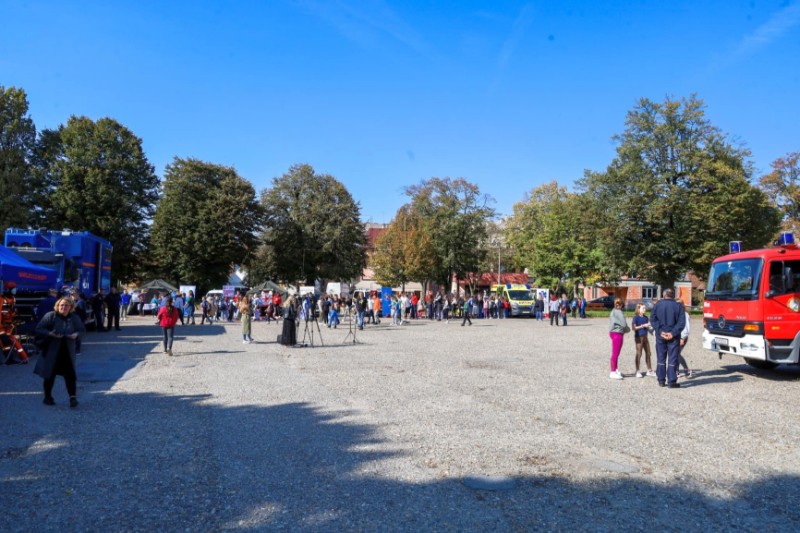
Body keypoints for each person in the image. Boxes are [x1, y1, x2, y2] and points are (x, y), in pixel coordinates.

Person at [34, 297, 85, 407]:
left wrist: (76, 335)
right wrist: (49, 333)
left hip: (67, 351)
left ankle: (73, 398)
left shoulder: (74, 318)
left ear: (71, 307)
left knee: (70, 376)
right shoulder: (50, 316)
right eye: (61, 305)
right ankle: (47, 397)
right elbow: (39, 328)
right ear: (57, 306)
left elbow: (81, 330)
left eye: (66, 305)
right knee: (49, 375)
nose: (64, 307)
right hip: (51, 351)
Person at [650, 288, 686, 388]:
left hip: (661, 336)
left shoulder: (658, 305)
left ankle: (661, 380)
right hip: (673, 337)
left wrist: (660, 331)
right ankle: (671, 381)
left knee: (661, 358)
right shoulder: (678, 306)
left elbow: (653, 319)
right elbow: (681, 323)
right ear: (673, 295)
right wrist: (673, 333)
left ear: (663, 295)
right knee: (672, 358)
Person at [632, 303, 655, 378]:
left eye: (645, 308)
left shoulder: (646, 317)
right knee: (639, 353)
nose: (645, 309)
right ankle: (637, 370)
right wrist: (642, 326)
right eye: (643, 308)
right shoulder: (636, 317)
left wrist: (650, 325)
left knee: (648, 353)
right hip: (638, 337)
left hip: (645, 337)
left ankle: (649, 370)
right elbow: (634, 328)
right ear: (638, 309)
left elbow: (649, 327)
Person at [608, 298, 628, 379]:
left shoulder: (613, 311)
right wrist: (627, 329)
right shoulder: (619, 312)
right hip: (618, 333)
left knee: (615, 353)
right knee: (615, 353)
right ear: (621, 304)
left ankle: (615, 369)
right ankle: (612, 371)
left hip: (612, 332)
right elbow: (623, 324)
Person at [678, 309, 692, 378]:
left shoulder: (684, 314)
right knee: (677, 354)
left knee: (676, 353)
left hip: (682, 337)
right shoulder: (677, 312)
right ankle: (676, 371)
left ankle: (687, 370)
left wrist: (682, 338)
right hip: (677, 336)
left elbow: (686, 328)